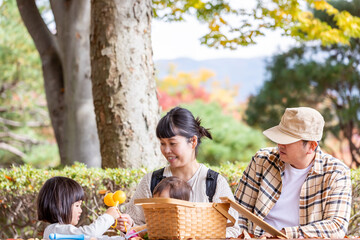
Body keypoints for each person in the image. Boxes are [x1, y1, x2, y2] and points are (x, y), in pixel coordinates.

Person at [118, 106, 240, 237]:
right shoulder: (151, 181)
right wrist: (128, 225)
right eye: (162, 143)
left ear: (193, 141)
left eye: (172, 143)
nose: (166, 150)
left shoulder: (214, 183)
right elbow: (134, 226)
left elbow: (233, 230)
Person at [234, 107, 352, 239]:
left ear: (311, 146)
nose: (280, 144)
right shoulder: (262, 161)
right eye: (280, 136)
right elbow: (238, 211)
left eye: (287, 140)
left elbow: (336, 226)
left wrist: (284, 235)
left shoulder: (336, 173)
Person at [38, 176, 120, 239]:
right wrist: (109, 217)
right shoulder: (54, 230)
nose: (80, 210)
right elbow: (90, 235)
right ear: (60, 206)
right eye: (77, 205)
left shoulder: (63, 230)